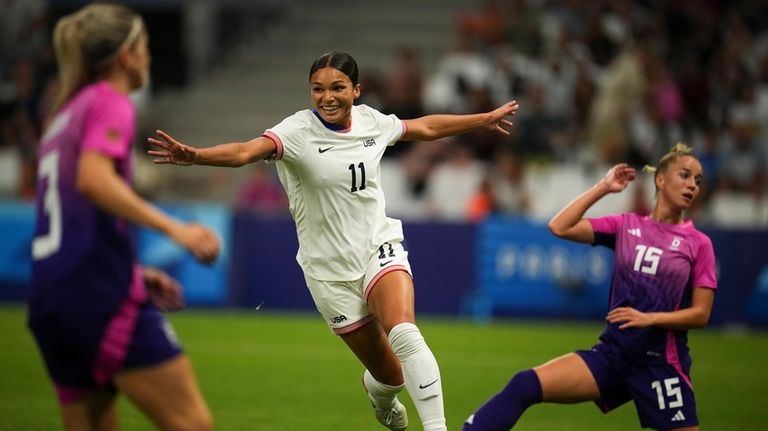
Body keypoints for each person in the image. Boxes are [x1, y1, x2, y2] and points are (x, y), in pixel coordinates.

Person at [148, 51, 519, 431]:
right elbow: (245, 151)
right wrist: (196, 156)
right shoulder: (296, 132)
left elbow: (423, 127)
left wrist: (483, 120)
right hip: (329, 273)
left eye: (338, 88)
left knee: (406, 333)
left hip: (378, 247)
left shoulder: (371, 121)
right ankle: (381, 397)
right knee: (391, 376)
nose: (327, 97)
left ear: (356, 90)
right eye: (318, 89)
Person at [27, 4, 220, 431]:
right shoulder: (110, 102)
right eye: (146, 46)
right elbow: (93, 181)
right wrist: (176, 228)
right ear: (126, 56)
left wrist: (131, 272)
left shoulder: (65, 115)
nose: (150, 56)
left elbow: (71, 217)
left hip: (53, 299)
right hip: (98, 298)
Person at [462, 143, 717, 431]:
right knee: (525, 384)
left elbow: (701, 315)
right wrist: (604, 187)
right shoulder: (626, 226)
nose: (692, 185)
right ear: (660, 178)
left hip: (660, 364)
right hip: (613, 355)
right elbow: (559, 226)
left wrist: (650, 319)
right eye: (684, 175)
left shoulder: (698, 244)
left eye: (697, 180)